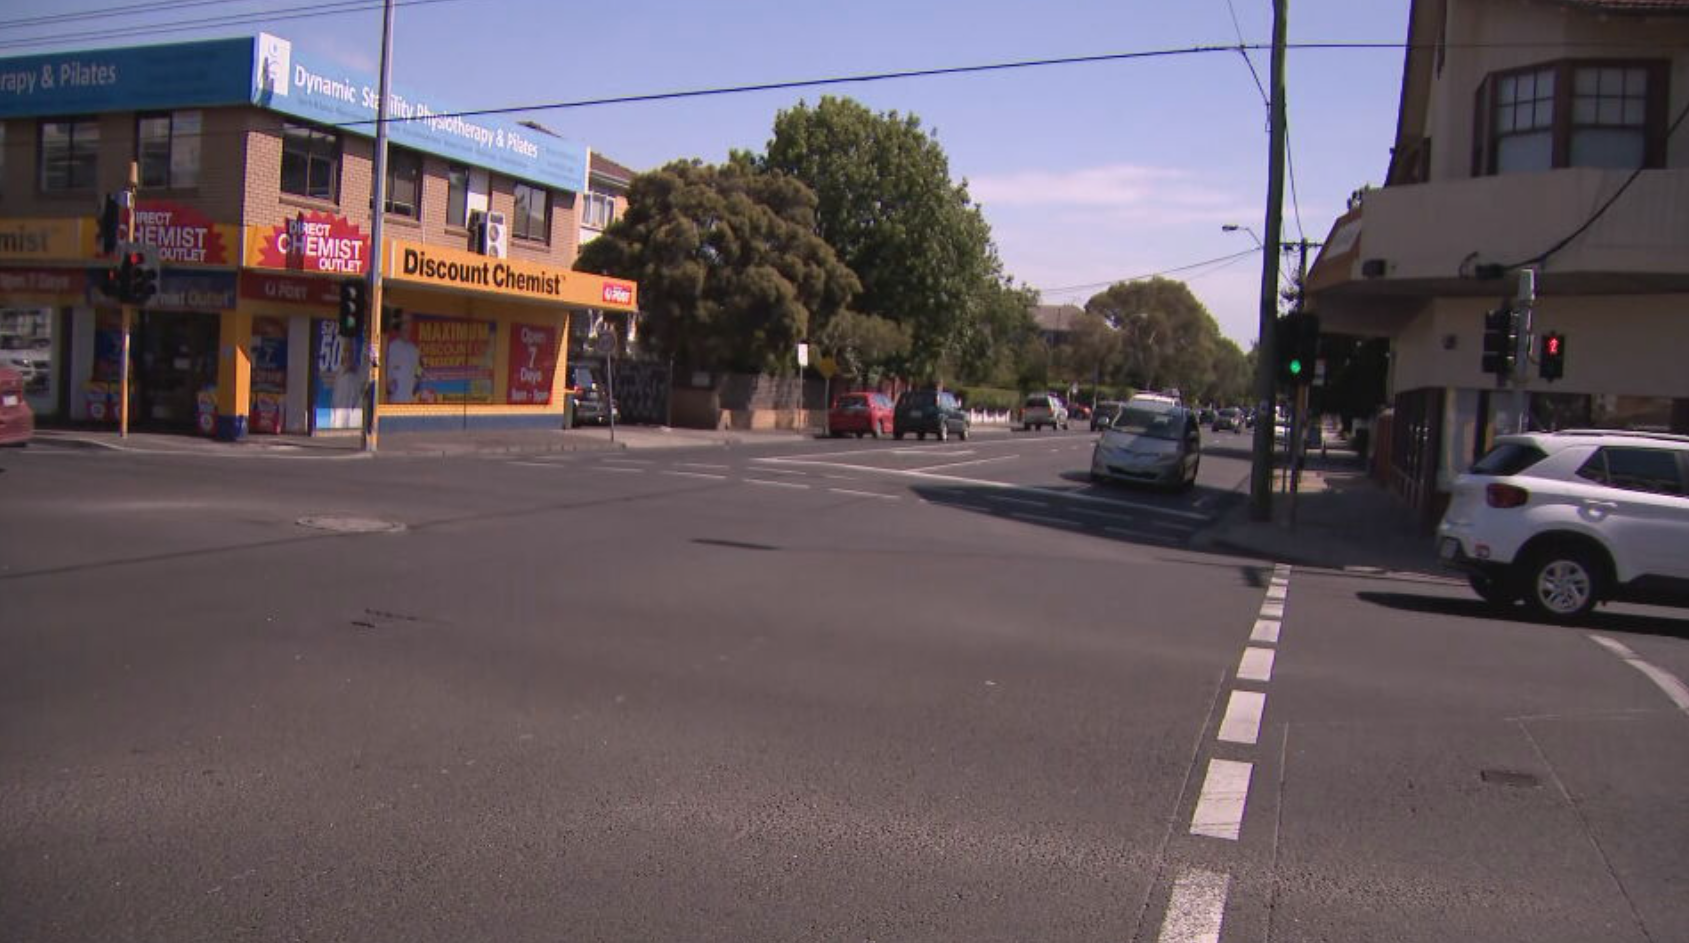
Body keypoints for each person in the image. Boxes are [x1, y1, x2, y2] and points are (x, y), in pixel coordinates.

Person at [384, 313, 421, 404]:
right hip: (393, 403)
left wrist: (417, 379)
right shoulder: (391, 348)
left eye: (409, 322)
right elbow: (383, 373)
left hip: (409, 403)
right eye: (404, 323)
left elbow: (419, 370)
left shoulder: (415, 351)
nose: (406, 327)